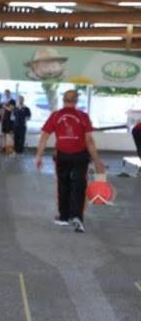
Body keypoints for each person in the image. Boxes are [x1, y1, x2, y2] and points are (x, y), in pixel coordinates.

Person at [35, 90, 105, 234]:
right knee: (79, 185)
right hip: (80, 156)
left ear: (63, 100)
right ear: (76, 101)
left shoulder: (55, 116)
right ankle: (77, 217)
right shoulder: (83, 116)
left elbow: (44, 137)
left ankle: (64, 217)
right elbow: (89, 141)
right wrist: (97, 161)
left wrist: (38, 156)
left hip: (62, 156)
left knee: (63, 184)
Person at [2, 89, 17, 156]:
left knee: (11, 134)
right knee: (4, 133)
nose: (6, 94)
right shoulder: (3, 101)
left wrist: (5, 106)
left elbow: (10, 109)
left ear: (10, 93)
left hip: (10, 120)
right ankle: (4, 147)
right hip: (4, 119)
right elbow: (2, 111)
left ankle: (14, 147)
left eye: (8, 93)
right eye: (5, 93)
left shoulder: (13, 101)